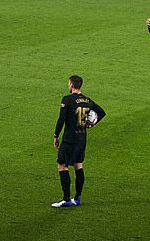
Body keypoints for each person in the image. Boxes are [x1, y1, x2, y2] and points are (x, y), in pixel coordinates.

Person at [52, 75, 106, 208]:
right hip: (82, 139)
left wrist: (56, 135)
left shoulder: (67, 99)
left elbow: (61, 120)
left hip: (70, 139)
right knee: (78, 166)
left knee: (62, 166)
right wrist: (91, 124)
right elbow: (101, 112)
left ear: (71, 85)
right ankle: (77, 198)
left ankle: (66, 199)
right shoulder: (87, 100)